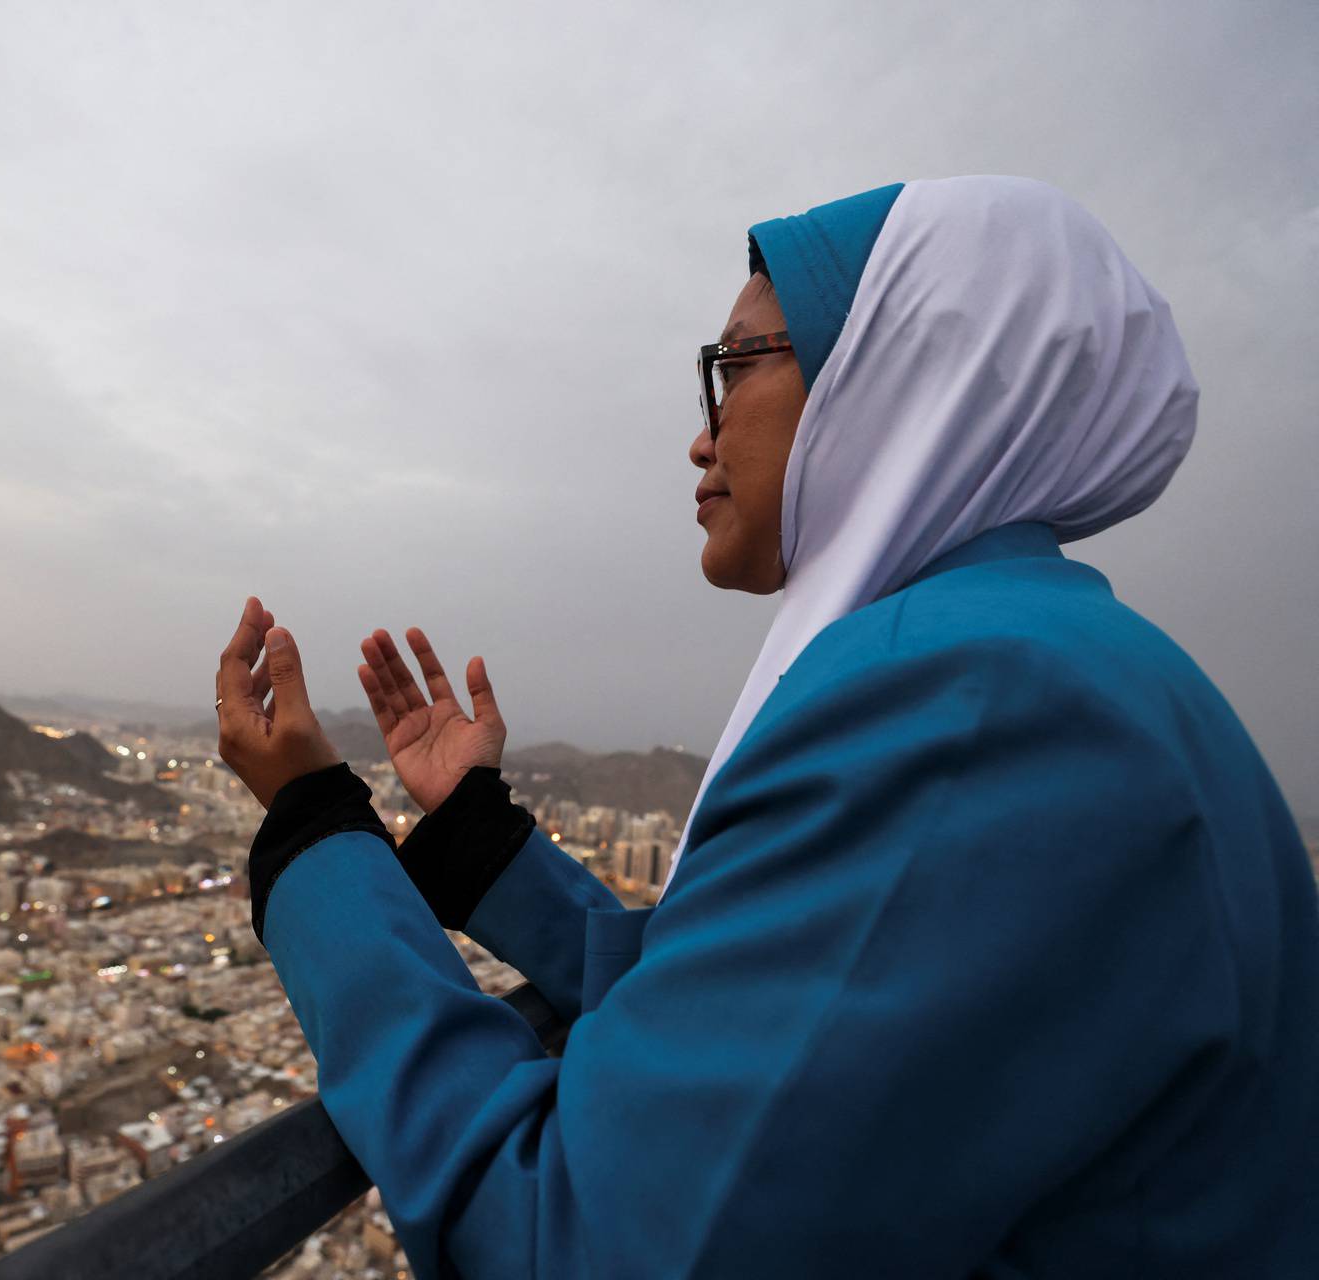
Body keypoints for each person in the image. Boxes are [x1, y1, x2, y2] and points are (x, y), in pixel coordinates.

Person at [211, 176, 1319, 1277]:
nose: (701, 438)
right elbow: (774, 1026)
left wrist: (316, 827)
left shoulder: (966, 706)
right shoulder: (1052, 656)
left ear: (898, 377)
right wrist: (478, 835)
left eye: (734, 365)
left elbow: (580, 1237)